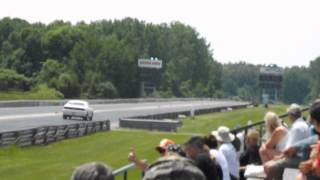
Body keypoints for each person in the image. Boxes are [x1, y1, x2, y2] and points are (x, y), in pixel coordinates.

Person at [264, 102, 317, 180]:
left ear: (290, 115)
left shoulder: (296, 127)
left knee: (268, 166)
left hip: (298, 158)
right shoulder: (304, 124)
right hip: (303, 156)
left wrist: (279, 158)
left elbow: (290, 151)